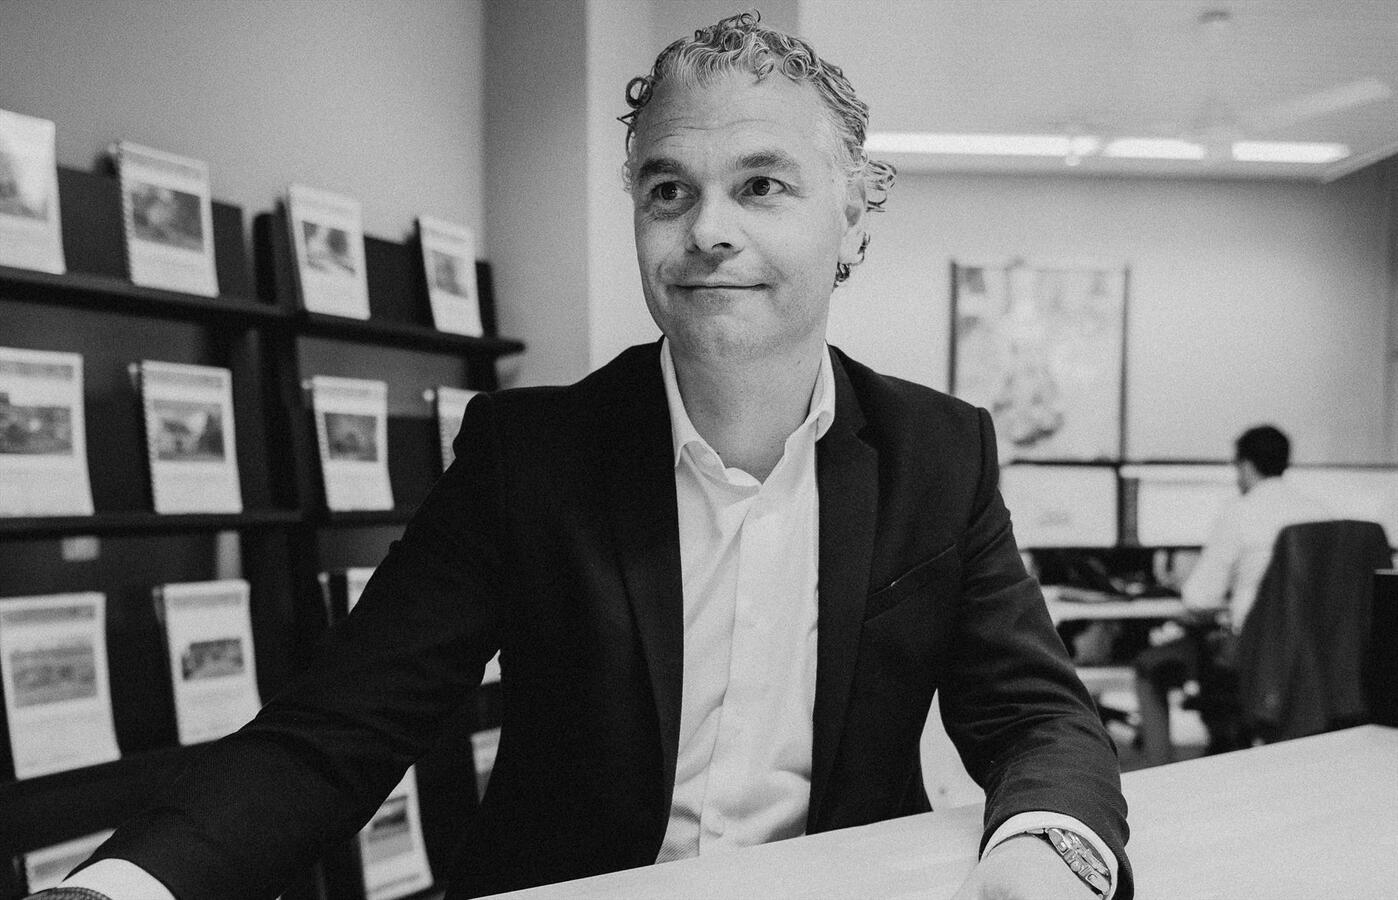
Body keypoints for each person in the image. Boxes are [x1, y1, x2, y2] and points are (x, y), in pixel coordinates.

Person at [41, 12, 1129, 900]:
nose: (707, 228)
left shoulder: (938, 452)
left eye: (762, 185)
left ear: (852, 222)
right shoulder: (529, 457)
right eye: (669, 189)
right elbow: (336, 732)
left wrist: (1044, 855)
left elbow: (1035, 714)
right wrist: (120, 890)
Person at [1133, 424, 1328, 765]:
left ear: (1246, 465)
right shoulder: (1320, 513)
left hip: (1249, 653)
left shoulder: (1239, 512)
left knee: (1149, 666)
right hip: (1312, 654)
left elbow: (1199, 599)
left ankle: (1159, 772)